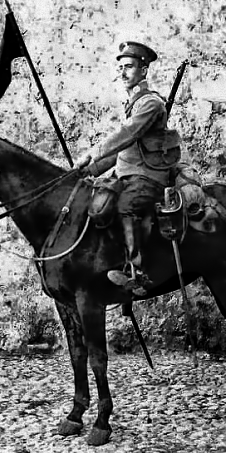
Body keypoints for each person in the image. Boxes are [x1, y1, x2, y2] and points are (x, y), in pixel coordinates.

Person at [78, 41, 181, 295]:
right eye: (120, 67)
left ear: (144, 71)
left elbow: (127, 134)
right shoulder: (133, 104)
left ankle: (138, 271)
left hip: (148, 177)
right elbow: (123, 152)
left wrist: (92, 153)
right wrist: (88, 171)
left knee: (126, 206)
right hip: (127, 176)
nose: (123, 73)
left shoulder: (150, 104)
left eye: (130, 67)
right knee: (98, 204)